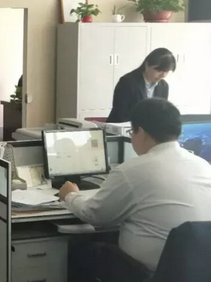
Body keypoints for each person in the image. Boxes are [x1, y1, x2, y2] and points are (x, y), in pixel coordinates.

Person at [59, 98, 211, 271]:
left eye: (132, 131)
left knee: (80, 250)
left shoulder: (133, 170)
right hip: (200, 274)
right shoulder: (203, 165)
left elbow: (95, 215)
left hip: (148, 273)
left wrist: (70, 195)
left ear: (141, 132)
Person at [106, 48, 175, 123]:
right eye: (159, 70)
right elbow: (120, 114)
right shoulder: (127, 82)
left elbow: (161, 114)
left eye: (166, 71)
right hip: (123, 126)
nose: (163, 75)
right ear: (147, 65)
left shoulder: (163, 86)